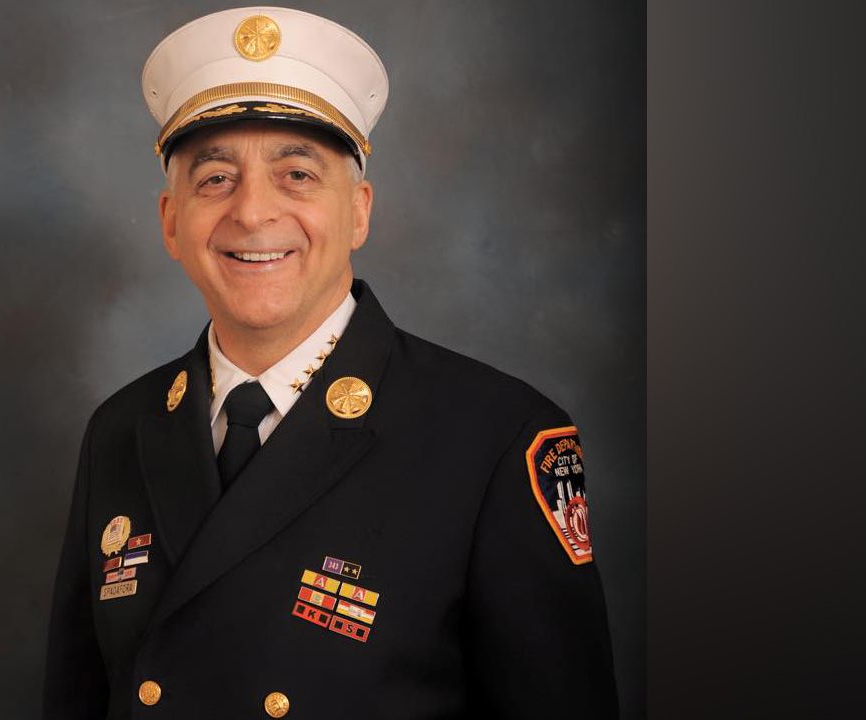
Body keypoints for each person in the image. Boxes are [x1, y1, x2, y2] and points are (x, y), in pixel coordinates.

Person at [44, 6, 618, 718]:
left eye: (297, 174)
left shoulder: (496, 438)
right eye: (216, 178)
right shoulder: (120, 430)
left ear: (359, 212)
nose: (253, 213)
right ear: (170, 220)